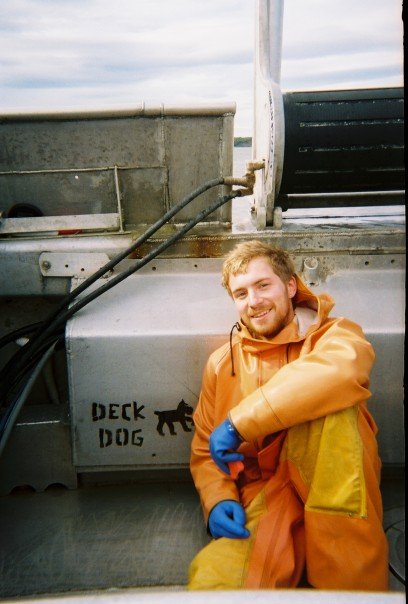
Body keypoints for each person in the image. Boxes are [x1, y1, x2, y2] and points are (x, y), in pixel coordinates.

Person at [188, 240, 388, 591]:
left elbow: (341, 372)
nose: (254, 302)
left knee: (335, 407)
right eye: (241, 293)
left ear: (291, 286)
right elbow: (206, 450)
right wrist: (218, 498)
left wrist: (239, 423)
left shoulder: (335, 335)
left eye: (263, 285)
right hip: (265, 497)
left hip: (336, 491)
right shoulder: (221, 365)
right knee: (216, 583)